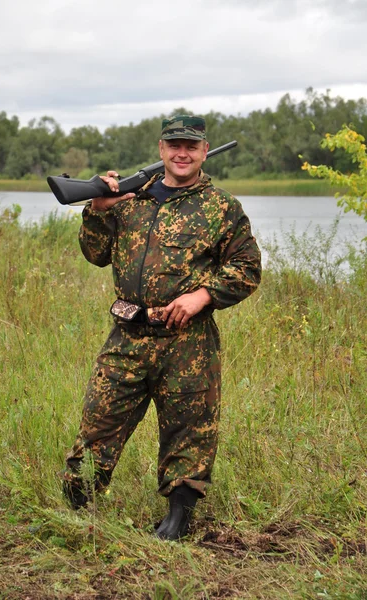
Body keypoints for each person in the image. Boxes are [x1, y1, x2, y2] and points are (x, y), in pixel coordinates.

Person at [61, 115, 262, 540]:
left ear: (204, 151)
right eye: (174, 145)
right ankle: (78, 504)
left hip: (187, 341)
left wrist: (202, 295)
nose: (182, 153)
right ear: (161, 149)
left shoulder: (221, 207)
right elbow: (95, 254)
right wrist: (97, 208)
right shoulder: (131, 199)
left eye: (191, 146)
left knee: (189, 427)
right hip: (128, 335)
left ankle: (178, 517)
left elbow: (247, 268)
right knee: (100, 421)